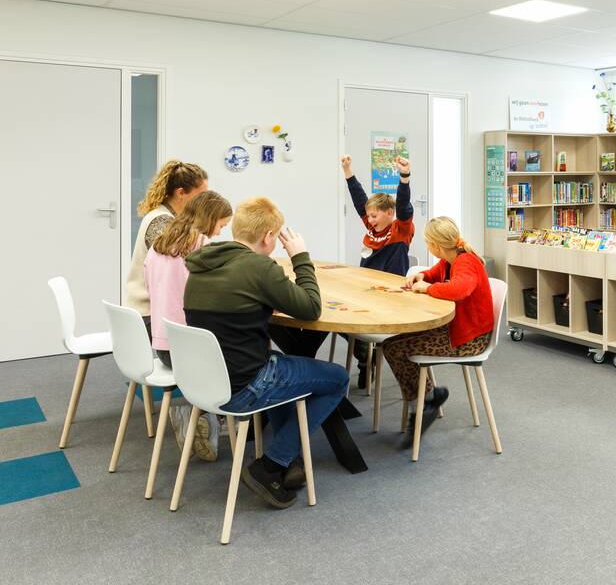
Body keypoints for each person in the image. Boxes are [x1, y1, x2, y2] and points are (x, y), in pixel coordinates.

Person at [183, 197, 349, 508]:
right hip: (245, 387)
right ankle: (272, 463)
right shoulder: (260, 268)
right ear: (269, 237)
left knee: (279, 365)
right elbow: (311, 308)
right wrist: (300, 257)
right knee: (337, 378)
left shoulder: (201, 263)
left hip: (204, 384)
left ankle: (289, 459)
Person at [269, 153, 415, 388]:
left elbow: (405, 205)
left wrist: (404, 176)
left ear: (389, 213)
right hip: (365, 287)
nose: (370, 220)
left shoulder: (401, 229)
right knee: (334, 315)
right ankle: (362, 353)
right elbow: (359, 200)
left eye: (375, 215)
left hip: (389, 292)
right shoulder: (373, 227)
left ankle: (362, 357)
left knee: (337, 318)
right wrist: (348, 172)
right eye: (368, 216)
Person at [382, 217, 493, 448]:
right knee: (393, 344)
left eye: (427, 242)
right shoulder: (449, 259)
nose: (427, 246)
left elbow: (459, 290)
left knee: (394, 347)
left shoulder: (466, 262)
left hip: (470, 340)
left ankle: (422, 405)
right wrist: (421, 277)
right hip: (456, 330)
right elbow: (433, 273)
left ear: (437, 245)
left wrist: (429, 288)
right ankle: (428, 398)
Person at [145, 190, 232, 462]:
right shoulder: (202, 247)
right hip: (188, 353)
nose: (219, 233)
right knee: (247, 351)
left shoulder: (158, 245)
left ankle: (209, 415)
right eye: (220, 226)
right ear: (210, 220)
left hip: (162, 347)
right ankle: (206, 414)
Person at [125, 159, 208, 335]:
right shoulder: (162, 221)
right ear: (181, 193)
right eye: (200, 196)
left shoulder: (170, 217)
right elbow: (181, 267)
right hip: (148, 313)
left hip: (151, 308)